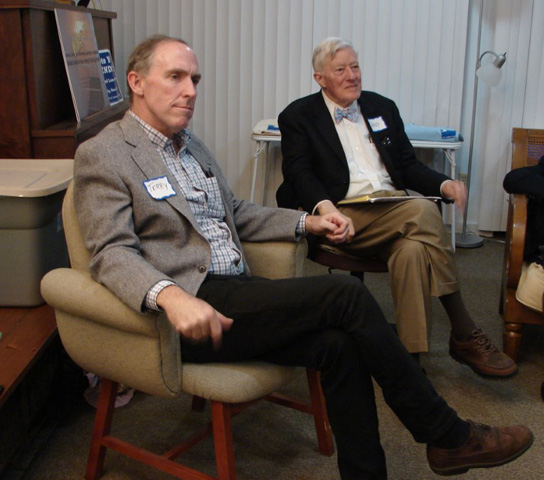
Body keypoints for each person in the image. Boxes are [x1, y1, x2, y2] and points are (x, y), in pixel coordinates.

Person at [73, 34, 533, 479]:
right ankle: (446, 434)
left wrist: (305, 223)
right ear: (136, 82)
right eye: (175, 77)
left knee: (340, 346)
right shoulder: (105, 154)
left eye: (195, 79)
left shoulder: (192, 145)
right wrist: (171, 297)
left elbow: (233, 212)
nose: (191, 91)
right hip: (191, 307)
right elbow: (110, 253)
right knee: (343, 297)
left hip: (238, 294)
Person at [277, 36, 516, 377]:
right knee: (422, 211)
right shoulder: (299, 115)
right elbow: (298, 173)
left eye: (355, 66)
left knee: (413, 252)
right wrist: (326, 208)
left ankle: (409, 363)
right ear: (320, 78)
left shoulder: (381, 107)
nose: (352, 75)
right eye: (341, 69)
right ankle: (463, 329)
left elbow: (406, 165)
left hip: (393, 207)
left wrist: (443, 184)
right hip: (344, 212)